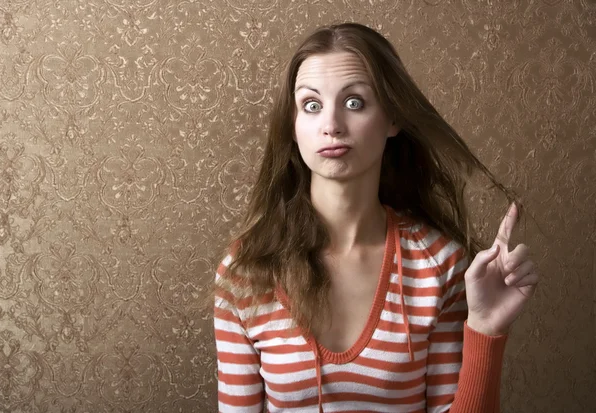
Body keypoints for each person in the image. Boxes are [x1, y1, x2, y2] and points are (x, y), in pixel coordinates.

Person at [213, 22, 539, 413]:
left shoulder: (440, 265)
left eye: (354, 103)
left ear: (392, 119)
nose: (331, 125)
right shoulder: (246, 272)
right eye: (311, 105)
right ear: (294, 127)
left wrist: (486, 330)